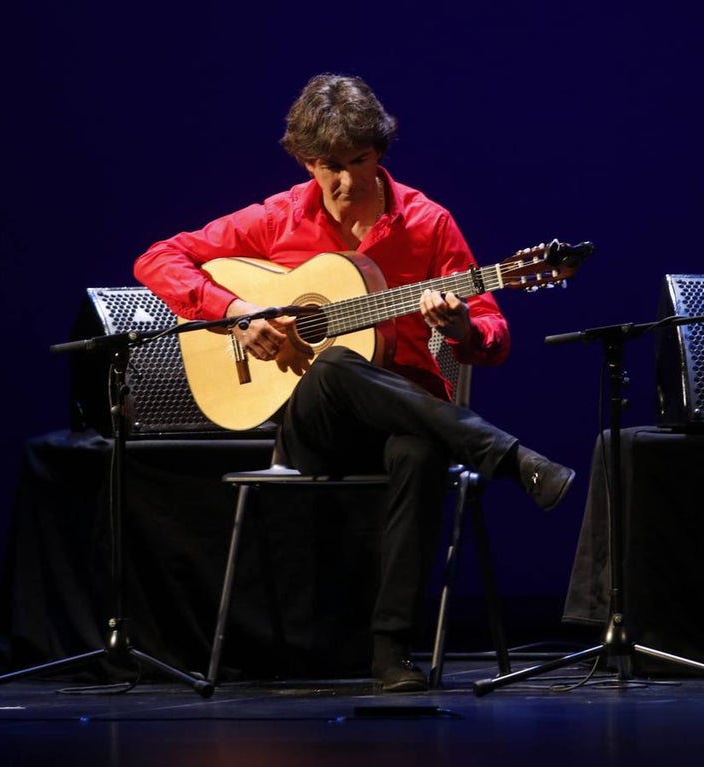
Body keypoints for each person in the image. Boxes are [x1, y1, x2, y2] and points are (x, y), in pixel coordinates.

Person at [134, 73, 574, 692]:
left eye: (358, 162)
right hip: (315, 427)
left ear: (380, 152)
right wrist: (238, 315)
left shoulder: (428, 223)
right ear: (306, 161)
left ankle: (390, 653)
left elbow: (490, 330)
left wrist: (460, 331)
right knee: (338, 363)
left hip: (408, 417)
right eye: (326, 166)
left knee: (420, 451)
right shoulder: (278, 218)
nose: (343, 182)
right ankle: (505, 453)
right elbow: (157, 259)